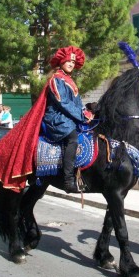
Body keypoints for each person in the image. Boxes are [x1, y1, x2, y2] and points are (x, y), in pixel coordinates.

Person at [42, 46, 91, 193]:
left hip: (68, 115)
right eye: (68, 61)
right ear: (61, 62)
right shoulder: (56, 79)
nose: (71, 64)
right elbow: (62, 102)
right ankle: (68, 180)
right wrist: (81, 116)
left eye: (73, 62)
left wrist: (87, 112)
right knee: (73, 138)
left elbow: (77, 103)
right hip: (56, 117)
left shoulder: (69, 80)